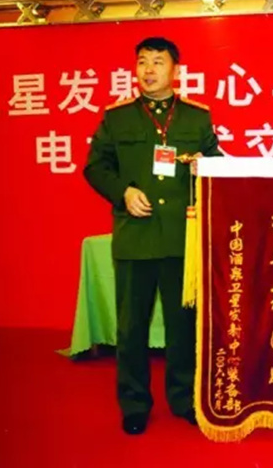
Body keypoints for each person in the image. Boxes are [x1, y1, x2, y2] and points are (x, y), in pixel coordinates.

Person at [84, 37, 220, 435]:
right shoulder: (117, 118)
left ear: (176, 70)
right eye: (142, 62)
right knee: (131, 328)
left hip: (181, 238)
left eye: (158, 62)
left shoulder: (196, 117)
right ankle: (134, 403)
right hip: (136, 238)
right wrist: (123, 193)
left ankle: (183, 399)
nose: (148, 70)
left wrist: (205, 167)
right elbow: (95, 167)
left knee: (183, 328)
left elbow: (217, 163)